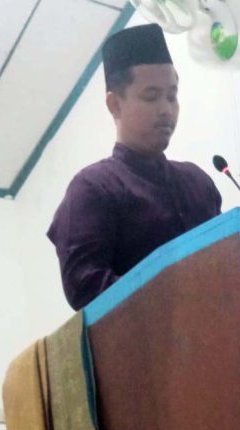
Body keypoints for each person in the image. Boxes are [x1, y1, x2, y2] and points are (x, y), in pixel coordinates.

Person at [47, 24, 222, 310]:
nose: (166, 109)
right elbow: (85, 288)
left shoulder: (197, 182)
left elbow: (227, 259)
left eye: (172, 96)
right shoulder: (93, 187)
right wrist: (179, 300)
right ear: (114, 104)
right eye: (151, 96)